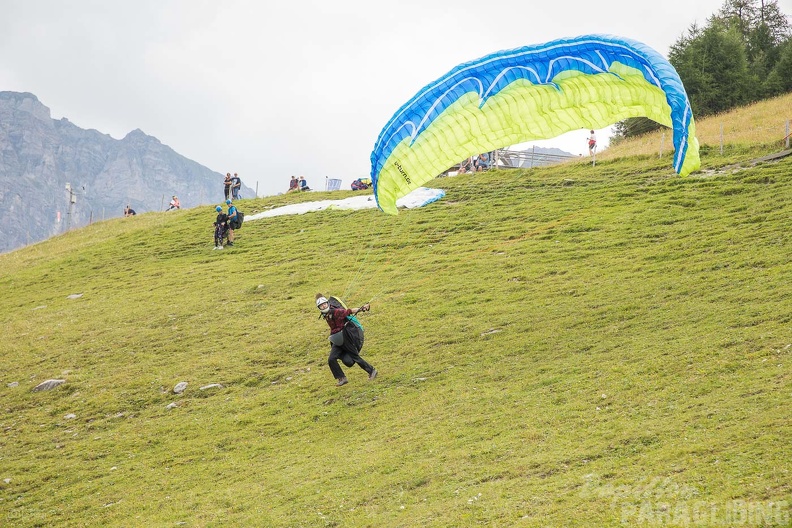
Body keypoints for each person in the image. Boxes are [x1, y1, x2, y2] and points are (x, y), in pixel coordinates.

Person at [316, 294, 377, 386]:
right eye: (321, 305)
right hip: (336, 339)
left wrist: (362, 308)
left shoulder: (336, 312)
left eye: (325, 304)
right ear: (319, 308)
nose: (324, 306)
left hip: (345, 337)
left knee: (355, 357)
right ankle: (342, 378)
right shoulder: (325, 314)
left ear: (327, 303)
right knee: (331, 359)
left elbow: (349, 311)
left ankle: (372, 371)